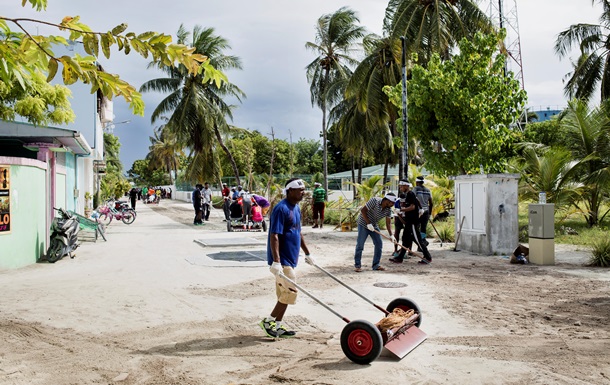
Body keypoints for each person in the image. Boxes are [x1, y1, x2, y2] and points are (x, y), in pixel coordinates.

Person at [259, 178, 311, 338]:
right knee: (291, 291)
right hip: (282, 261)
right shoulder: (281, 209)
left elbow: (298, 232)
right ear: (289, 190)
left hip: (291, 258)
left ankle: (277, 325)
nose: (302, 192)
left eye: (303, 190)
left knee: (284, 294)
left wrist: (308, 253)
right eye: (299, 190)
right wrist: (276, 261)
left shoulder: (296, 208)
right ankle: (268, 322)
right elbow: (274, 235)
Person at [390, 181, 432, 264]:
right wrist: (420, 209)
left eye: (401, 186)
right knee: (405, 239)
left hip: (413, 222)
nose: (400, 188)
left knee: (418, 240)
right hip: (409, 222)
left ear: (406, 186)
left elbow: (412, 207)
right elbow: (416, 202)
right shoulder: (409, 195)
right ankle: (400, 257)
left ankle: (428, 257)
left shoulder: (410, 194)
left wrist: (401, 210)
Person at [353, 193, 397, 272]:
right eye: (392, 203)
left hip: (373, 225)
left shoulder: (388, 210)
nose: (393, 204)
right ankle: (357, 265)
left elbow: (388, 223)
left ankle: (376, 265)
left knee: (379, 244)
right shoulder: (374, 201)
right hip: (363, 223)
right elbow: (363, 211)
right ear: (386, 200)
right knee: (360, 244)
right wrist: (368, 223)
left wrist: (391, 235)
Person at [414, 176, 433, 248]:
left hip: (418, 211)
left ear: (417, 182)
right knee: (423, 228)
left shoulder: (415, 189)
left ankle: (421, 243)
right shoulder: (428, 190)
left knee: (416, 228)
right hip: (426, 211)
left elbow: (413, 198)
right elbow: (431, 203)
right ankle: (423, 243)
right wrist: (430, 213)